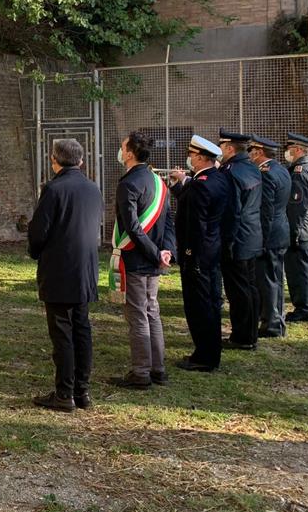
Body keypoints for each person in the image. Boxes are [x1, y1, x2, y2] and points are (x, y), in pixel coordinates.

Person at [28, 138, 103, 411]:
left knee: (62, 333)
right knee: (81, 329)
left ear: (53, 159)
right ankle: (82, 391)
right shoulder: (93, 189)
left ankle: (64, 393)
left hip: (60, 268)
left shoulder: (53, 189)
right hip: (85, 268)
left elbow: (38, 231)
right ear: (81, 161)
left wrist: (36, 251)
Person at [110, 131, 175, 389]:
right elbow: (169, 220)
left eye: (123, 146)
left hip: (138, 258)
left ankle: (140, 373)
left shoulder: (128, 183)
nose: (120, 149)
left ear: (129, 153)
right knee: (152, 313)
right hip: (154, 257)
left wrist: (155, 253)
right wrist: (166, 250)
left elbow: (132, 227)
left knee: (138, 316)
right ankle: (157, 369)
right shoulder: (159, 182)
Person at [170, 135, 230, 372]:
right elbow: (191, 201)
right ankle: (208, 351)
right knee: (211, 302)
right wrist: (179, 185)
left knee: (199, 306)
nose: (189, 159)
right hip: (212, 250)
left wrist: (188, 254)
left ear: (200, 157)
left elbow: (195, 223)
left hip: (198, 254)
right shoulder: (216, 179)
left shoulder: (202, 184)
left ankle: (204, 356)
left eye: (192, 155)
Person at [217, 130, 263, 351]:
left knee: (238, 290)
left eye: (221, 147)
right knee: (250, 287)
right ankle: (250, 333)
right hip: (252, 235)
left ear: (229, 148)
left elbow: (231, 211)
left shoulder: (231, 172)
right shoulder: (252, 167)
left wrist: (226, 241)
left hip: (237, 238)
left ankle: (242, 337)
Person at [248, 136, 291, 338]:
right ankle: (274, 319)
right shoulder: (281, 169)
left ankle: (272, 324)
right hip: (281, 230)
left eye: (252, 151)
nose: (250, 155)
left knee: (267, 280)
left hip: (270, 234)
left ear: (259, 152)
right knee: (274, 278)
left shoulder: (265, 174)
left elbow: (265, 211)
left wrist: (261, 239)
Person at [283, 132, 308, 323]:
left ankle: (305, 310)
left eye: (289, 149)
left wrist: (293, 233)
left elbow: (296, 207)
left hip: (300, 226)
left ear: (298, 149)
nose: (287, 153)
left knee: (300, 270)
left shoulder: (300, 172)